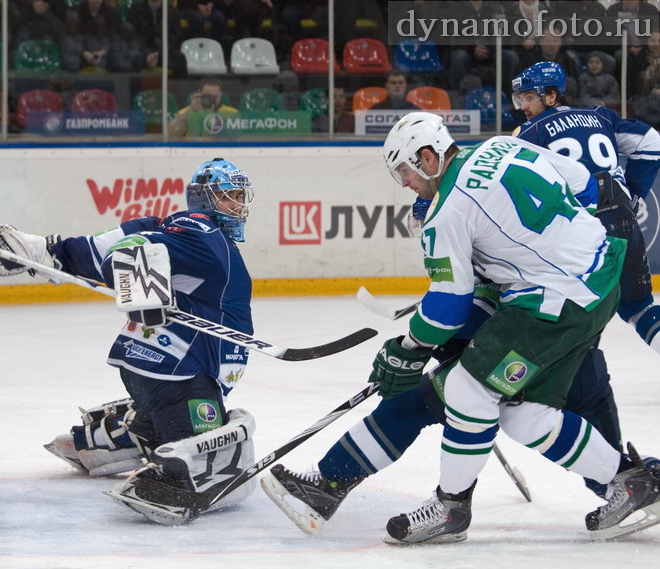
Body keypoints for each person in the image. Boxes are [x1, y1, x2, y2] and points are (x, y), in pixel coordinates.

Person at [276, 112, 660, 545]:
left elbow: (446, 307)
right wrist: (554, 246)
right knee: (523, 416)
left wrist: (409, 348)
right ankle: (631, 482)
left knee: (465, 389)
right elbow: (582, 182)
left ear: (426, 156)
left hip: (552, 304)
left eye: (404, 171)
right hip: (601, 273)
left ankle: (450, 507)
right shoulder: (501, 145)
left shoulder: (448, 209)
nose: (404, 183)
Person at [0, 159, 259, 525]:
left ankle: (117, 436)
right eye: (229, 197)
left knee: (165, 415)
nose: (238, 206)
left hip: (150, 366)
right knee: (213, 460)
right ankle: (166, 477)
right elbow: (133, 248)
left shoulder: (169, 223)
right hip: (182, 373)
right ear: (204, 199)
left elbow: (98, 250)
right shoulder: (202, 232)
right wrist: (133, 270)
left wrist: (47, 251)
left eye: (240, 197)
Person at [512, 61, 660, 354]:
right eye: (520, 98)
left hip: (579, 230)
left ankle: (576, 394)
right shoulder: (599, 114)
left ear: (552, 95)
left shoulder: (531, 131)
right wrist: (633, 192)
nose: (523, 106)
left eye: (529, 97)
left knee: (573, 318)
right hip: (622, 218)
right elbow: (651, 140)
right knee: (639, 307)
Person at [167, 77, 238, 137]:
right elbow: (172, 134)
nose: (212, 100)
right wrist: (190, 112)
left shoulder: (231, 113)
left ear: (221, 94)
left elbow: (233, 136)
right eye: (208, 96)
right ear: (199, 94)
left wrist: (210, 116)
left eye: (215, 97)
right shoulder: (185, 113)